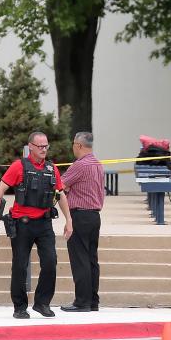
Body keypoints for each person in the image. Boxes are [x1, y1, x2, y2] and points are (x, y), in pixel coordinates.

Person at [0, 131, 73, 320]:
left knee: (51, 262)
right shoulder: (19, 167)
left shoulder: (52, 169)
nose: (44, 149)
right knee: (20, 265)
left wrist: (69, 219)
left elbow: (60, 194)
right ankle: (19, 307)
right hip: (22, 224)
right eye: (40, 146)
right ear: (31, 147)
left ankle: (42, 303)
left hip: (44, 223)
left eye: (46, 146)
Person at [60, 131, 105, 313]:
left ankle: (82, 302)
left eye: (73, 144)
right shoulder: (97, 164)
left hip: (80, 216)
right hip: (94, 216)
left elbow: (60, 185)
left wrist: (68, 188)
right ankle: (93, 300)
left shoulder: (80, 165)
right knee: (91, 259)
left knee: (80, 260)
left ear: (78, 145)